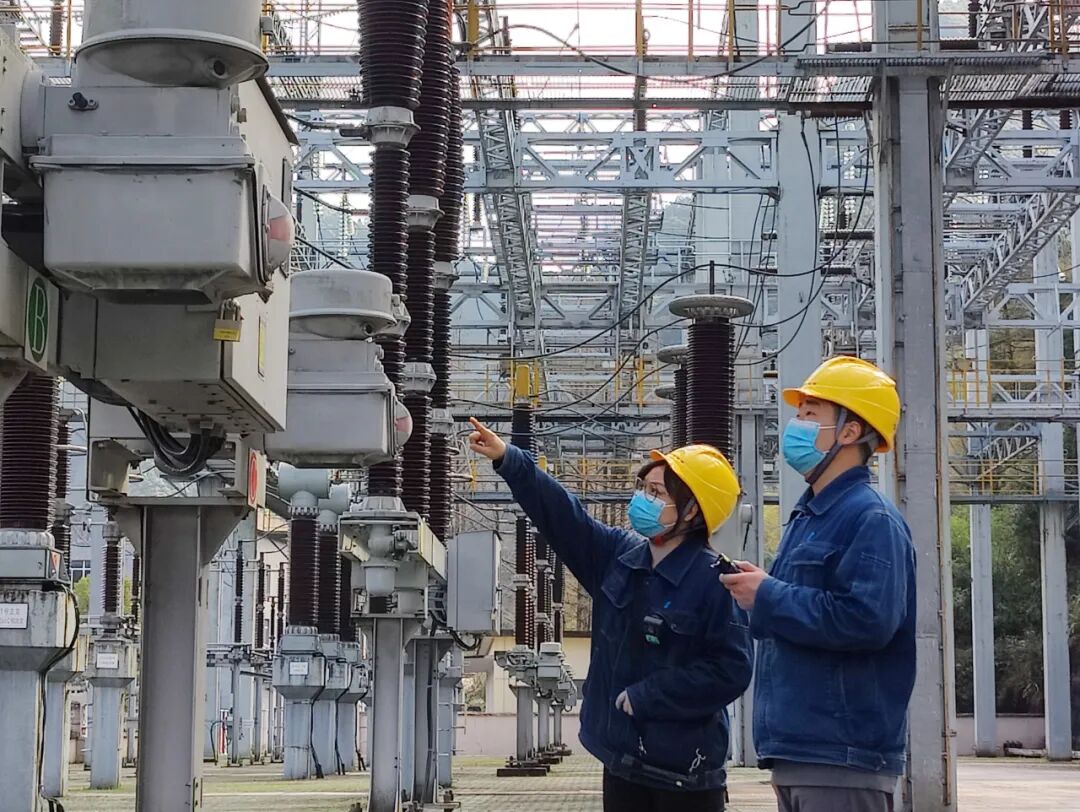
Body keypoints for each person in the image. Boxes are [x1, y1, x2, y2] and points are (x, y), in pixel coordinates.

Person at [468, 417, 752, 812]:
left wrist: (648, 696)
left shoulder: (716, 582)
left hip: (685, 777)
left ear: (690, 512)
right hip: (621, 763)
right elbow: (564, 516)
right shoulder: (619, 557)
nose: (643, 499)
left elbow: (731, 670)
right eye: (643, 488)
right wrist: (509, 459)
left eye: (656, 492)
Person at [720, 356, 915, 812]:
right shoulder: (809, 517)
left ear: (849, 432)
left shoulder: (871, 518)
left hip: (841, 756)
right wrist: (758, 594)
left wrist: (768, 594)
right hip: (801, 752)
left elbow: (867, 621)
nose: (797, 424)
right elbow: (804, 613)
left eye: (810, 413)